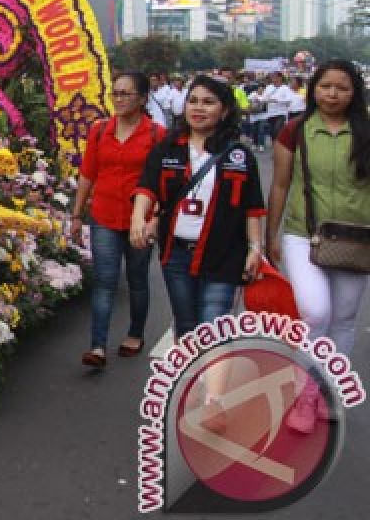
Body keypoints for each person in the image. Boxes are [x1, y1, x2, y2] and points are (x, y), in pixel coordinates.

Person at [265, 60, 370, 434]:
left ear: (354, 92)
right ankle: (305, 397)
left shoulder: (366, 131)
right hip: (302, 234)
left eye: (342, 87)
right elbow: (279, 185)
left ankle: (324, 391)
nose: (333, 94)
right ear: (314, 89)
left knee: (343, 320)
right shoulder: (294, 131)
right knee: (314, 312)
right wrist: (270, 235)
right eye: (325, 86)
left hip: (358, 240)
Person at [131, 75, 266, 338]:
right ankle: (193, 380)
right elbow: (147, 187)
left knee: (213, 332)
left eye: (208, 102)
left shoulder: (238, 154)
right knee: (186, 329)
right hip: (177, 255)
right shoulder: (168, 148)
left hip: (225, 255)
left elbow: (252, 208)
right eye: (193, 101)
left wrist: (255, 248)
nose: (198, 108)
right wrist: (139, 218)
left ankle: (211, 379)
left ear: (224, 110)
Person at [72, 72, 166, 368]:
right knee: (104, 281)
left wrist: (157, 218)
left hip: (140, 219)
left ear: (142, 98)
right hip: (104, 215)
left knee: (137, 280)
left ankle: (135, 333)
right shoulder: (100, 131)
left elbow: (165, 180)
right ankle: (98, 345)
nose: (119, 99)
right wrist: (76, 215)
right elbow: (88, 173)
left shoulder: (157, 134)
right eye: (115, 93)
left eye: (126, 94)